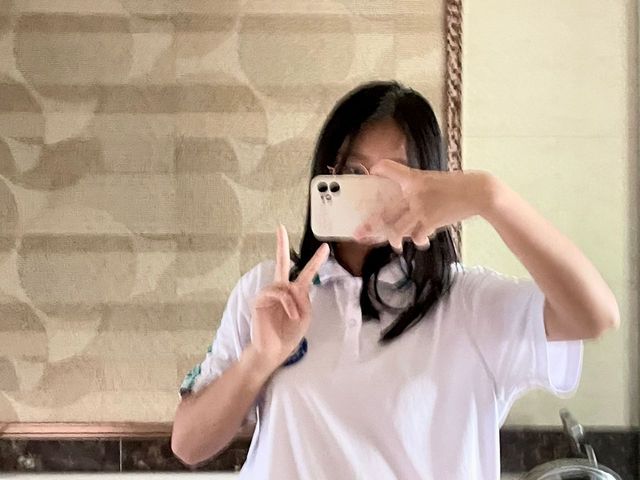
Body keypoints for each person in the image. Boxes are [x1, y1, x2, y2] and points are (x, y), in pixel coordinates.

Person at [171, 80, 619, 479]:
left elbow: (595, 316)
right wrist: (259, 359)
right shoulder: (271, 293)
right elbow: (188, 445)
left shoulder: (467, 302)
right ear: (327, 173)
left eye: (393, 176)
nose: (369, 194)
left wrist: (489, 197)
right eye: (354, 172)